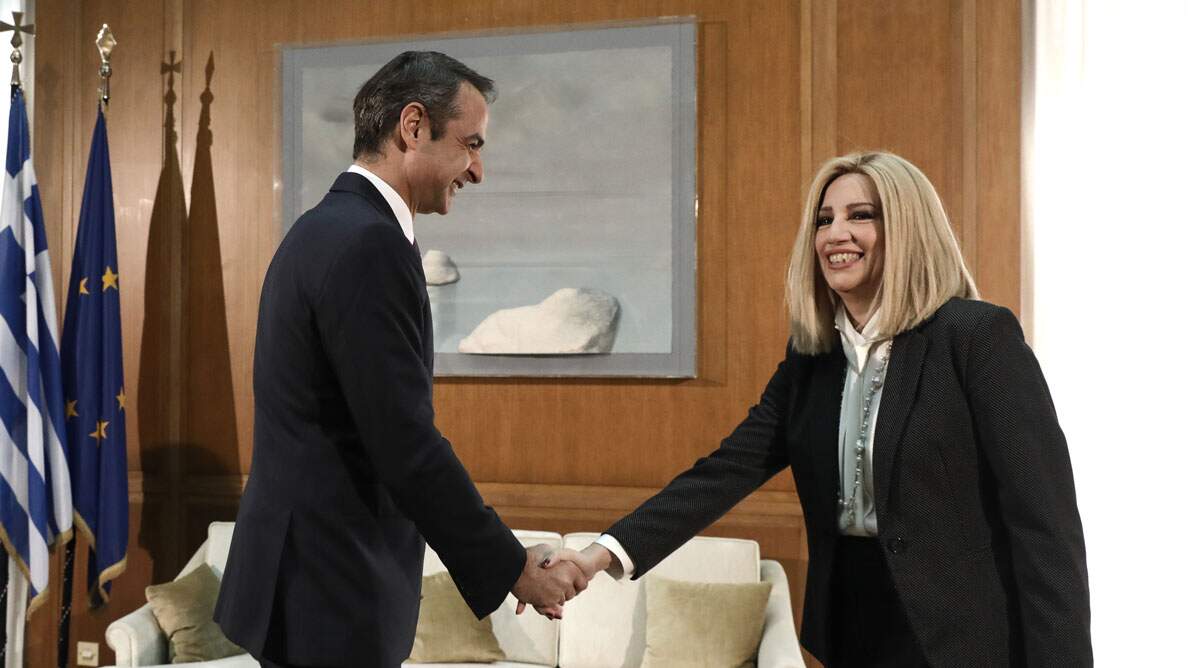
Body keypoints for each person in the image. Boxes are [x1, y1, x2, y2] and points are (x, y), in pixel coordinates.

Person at [552, 152, 1091, 666]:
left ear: (908, 228)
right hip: (852, 628)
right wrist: (602, 554)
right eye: (824, 219)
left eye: (861, 215)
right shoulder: (812, 356)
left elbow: (1046, 526)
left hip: (960, 637)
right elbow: (725, 471)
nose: (836, 234)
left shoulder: (975, 337)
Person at [214, 52, 585, 668]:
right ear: (413, 127)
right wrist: (513, 567)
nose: (478, 170)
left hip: (307, 585)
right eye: (470, 144)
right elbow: (404, 443)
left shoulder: (322, 229)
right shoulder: (369, 244)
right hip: (332, 591)